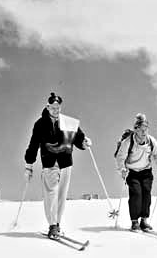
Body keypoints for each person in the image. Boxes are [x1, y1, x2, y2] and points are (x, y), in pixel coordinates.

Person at [24, 92, 92, 240]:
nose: (56, 110)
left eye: (58, 107)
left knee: (61, 195)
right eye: (53, 107)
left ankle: (57, 223)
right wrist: (29, 164)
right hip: (49, 163)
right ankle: (52, 225)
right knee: (51, 194)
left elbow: (78, 137)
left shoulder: (68, 122)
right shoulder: (40, 124)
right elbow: (34, 144)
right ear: (48, 107)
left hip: (66, 162)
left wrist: (84, 142)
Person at [115, 113, 157, 231]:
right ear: (136, 130)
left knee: (146, 194)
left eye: (146, 129)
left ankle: (144, 220)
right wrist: (122, 169)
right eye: (142, 130)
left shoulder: (151, 141)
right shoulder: (128, 142)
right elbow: (120, 157)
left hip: (146, 172)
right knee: (136, 194)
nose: (144, 132)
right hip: (132, 172)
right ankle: (134, 221)